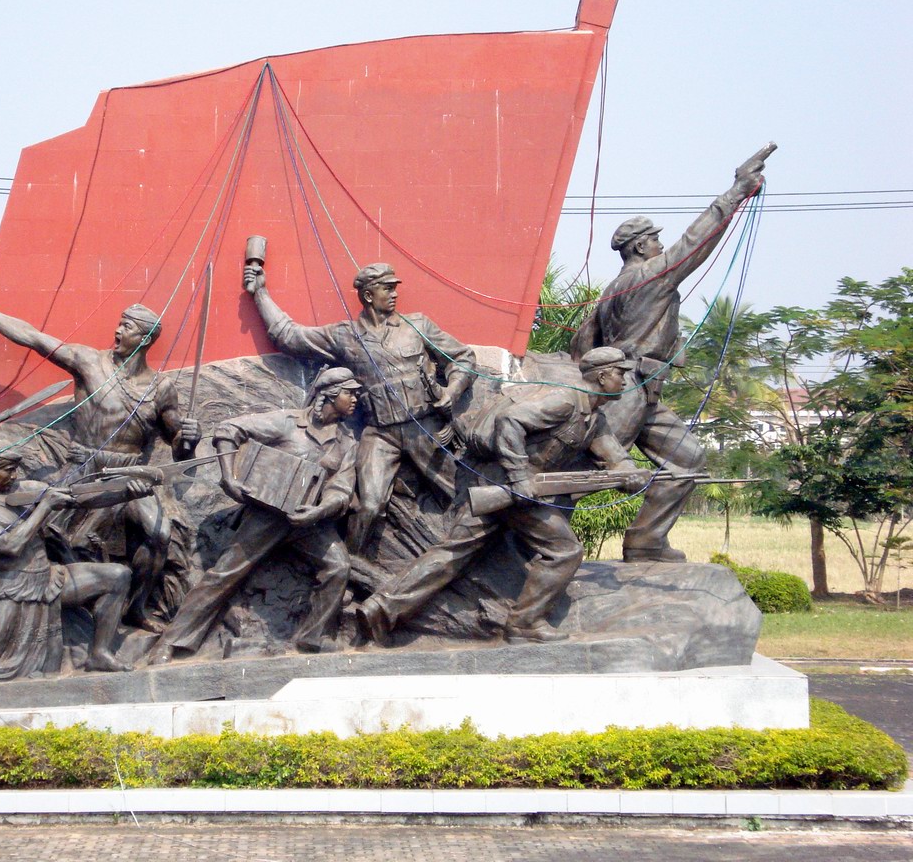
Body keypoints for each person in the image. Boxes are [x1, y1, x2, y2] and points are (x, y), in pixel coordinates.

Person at [0, 281, 201, 629]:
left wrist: (189, 438)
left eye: (127, 327)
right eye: (119, 323)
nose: (117, 330)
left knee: (160, 535)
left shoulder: (161, 388)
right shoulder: (89, 362)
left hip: (130, 472)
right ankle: (45, 602)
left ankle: (136, 609)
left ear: (145, 339)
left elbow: (177, 443)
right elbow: (33, 338)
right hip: (85, 465)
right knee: (50, 529)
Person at [354, 347, 649, 645]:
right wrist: (519, 476)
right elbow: (510, 420)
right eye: (620, 373)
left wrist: (631, 474)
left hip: (510, 489)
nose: (625, 381)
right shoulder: (564, 401)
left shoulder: (594, 419)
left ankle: (381, 608)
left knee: (454, 552)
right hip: (508, 485)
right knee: (564, 551)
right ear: (602, 376)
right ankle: (524, 623)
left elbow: (616, 458)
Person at [570, 150, 768, 562]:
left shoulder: (614, 289)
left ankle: (646, 541)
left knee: (687, 460)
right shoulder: (648, 277)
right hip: (627, 389)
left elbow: (583, 344)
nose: (662, 246)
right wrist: (738, 190)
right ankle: (525, 539)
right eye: (656, 240)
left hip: (645, 391)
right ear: (641, 246)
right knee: (583, 472)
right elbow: (694, 243)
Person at [243, 260, 475, 553]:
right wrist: (260, 293)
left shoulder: (417, 325)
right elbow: (290, 336)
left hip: (424, 427)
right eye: (387, 288)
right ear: (368, 295)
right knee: (369, 506)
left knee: (461, 492)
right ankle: (354, 565)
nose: (395, 294)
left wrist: (453, 391)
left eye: (394, 288)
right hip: (380, 435)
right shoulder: (344, 335)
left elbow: (462, 357)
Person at [149, 367, 361, 663]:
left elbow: (341, 490)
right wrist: (229, 477)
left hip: (309, 520)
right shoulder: (288, 423)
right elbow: (228, 430)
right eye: (350, 393)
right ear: (329, 394)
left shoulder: (347, 442)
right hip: (267, 516)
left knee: (338, 566)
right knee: (226, 573)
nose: (355, 399)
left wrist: (318, 511)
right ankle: (170, 642)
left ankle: (313, 637)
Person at [0, 445, 151, 682]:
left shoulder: (24, 489)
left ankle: (100, 654)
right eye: (9, 470)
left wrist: (125, 494)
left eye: (16, 470)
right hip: (12, 589)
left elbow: (79, 497)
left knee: (117, 576)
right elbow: (10, 546)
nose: (15, 476)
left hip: (48, 578)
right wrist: (44, 507)